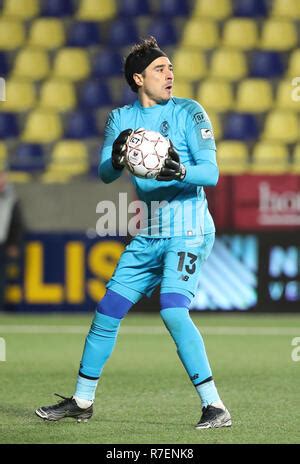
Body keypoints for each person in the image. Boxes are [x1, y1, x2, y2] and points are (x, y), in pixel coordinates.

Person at [36, 37, 231, 429]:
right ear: (139, 78)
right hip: (150, 231)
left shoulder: (190, 113)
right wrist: (117, 153)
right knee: (107, 311)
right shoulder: (120, 119)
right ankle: (82, 400)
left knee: (173, 309)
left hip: (189, 227)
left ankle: (214, 406)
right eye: (161, 69)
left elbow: (210, 174)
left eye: (171, 67)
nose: (170, 74)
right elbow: (106, 175)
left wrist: (180, 171)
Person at [0, 170, 24, 311]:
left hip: (3, 243)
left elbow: (17, 223)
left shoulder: (11, 199)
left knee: (2, 278)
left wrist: (14, 243)